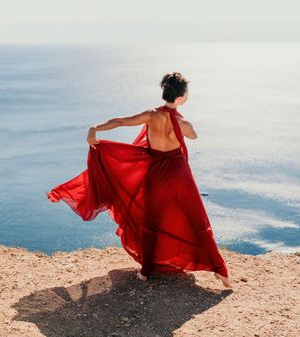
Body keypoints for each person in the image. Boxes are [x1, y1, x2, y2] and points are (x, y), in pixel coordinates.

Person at [47, 72, 233, 289]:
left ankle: (146, 272)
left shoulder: (151, 115)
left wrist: (94, 128)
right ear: (180, 98)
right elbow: (193, 136)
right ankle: (221, 272)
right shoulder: (184, 123)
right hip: (179, 175)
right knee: (197, 220)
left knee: (151, 222)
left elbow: (120, 121)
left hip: (156, 174)